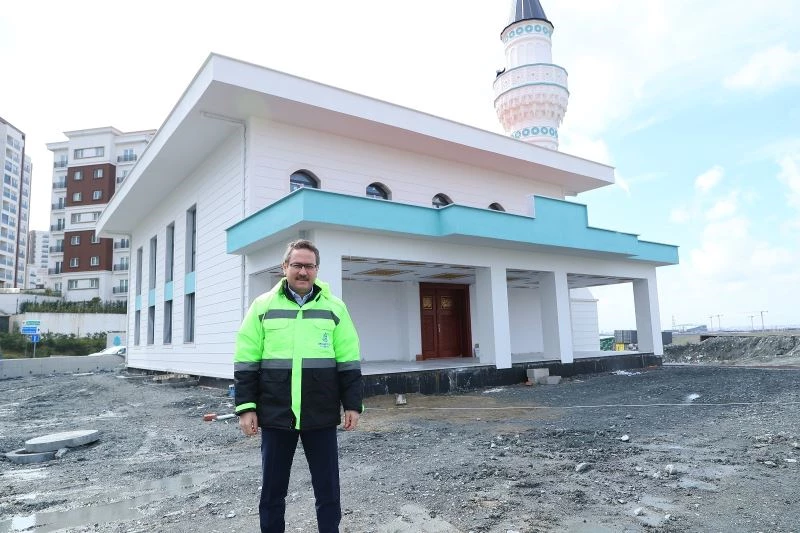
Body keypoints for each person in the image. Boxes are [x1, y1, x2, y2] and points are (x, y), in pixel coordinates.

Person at [233, 239, 363, 533]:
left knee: (328, 490)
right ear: (284, 268)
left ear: (317, 269)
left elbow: (348, 361)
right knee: (272, 492)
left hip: (321, 414)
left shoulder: (335, 308)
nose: (303, 271)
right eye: (297, 265)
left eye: (309, 266)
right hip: (276, 414)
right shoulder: (263, 306)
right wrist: (246, 407)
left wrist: (352, 404)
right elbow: (246, 360)